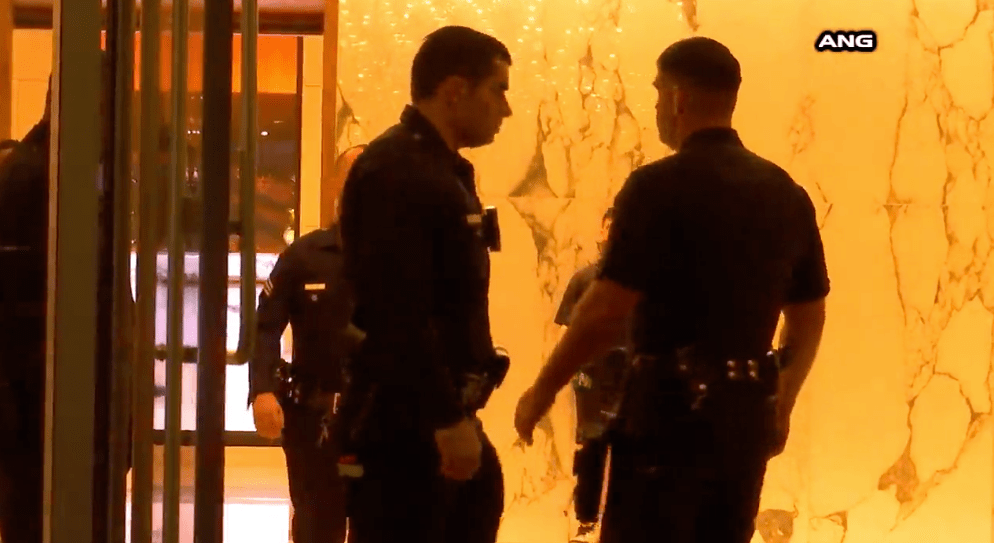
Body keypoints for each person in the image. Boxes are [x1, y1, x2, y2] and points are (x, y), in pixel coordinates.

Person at [514, 36, 830, 543]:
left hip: (667, 416)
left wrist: (541, 391)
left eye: (658, 93)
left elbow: (605, 311)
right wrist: (782, 400)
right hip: (744, 418)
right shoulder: (785, 193)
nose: (657, 106)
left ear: (679, 99)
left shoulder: (655, 187)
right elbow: (808, 316)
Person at [338, 25, 513, 543]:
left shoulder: (439, 169)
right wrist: (444, 419)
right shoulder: (398, 171)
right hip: (404, 430)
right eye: (498, 90)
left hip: (430, 419)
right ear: (455, 89)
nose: (505, 109)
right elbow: (397, 312)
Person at [248, 145, 366, 543]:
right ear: (335, 184)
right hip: (313, 421)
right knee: (318, 527)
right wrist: (262, 390)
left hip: (378, 419)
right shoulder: (304, 256)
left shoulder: (396, 258)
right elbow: (264, 328)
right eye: (351, 177)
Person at [553, 207, 630, 543]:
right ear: (601, 233)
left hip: (634, 383)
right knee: (590, 453)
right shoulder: (583, 279)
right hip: (592, 383)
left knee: (632, 457)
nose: (613, 235)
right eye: (609, 228)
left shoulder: (648, 286)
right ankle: (586, 523)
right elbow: (564, 336)